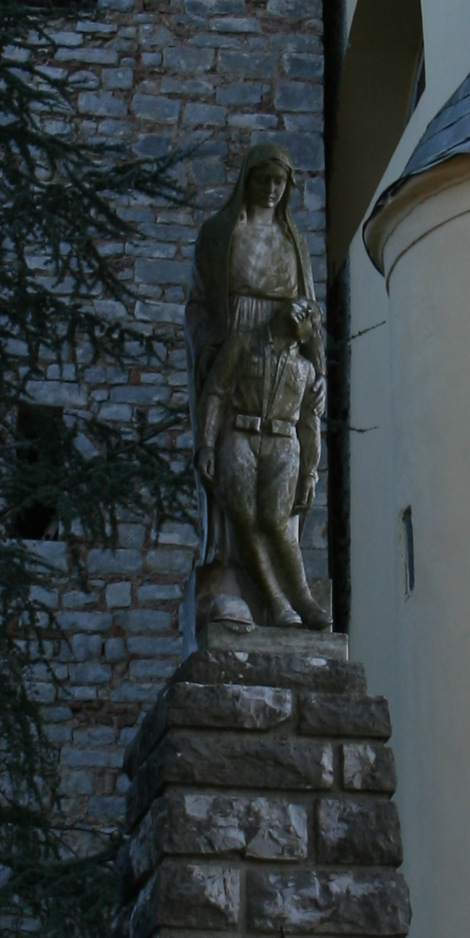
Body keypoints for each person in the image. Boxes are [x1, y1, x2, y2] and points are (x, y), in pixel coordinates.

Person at [185, 144, 325, 631]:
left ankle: (289, 596)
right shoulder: (220, 233)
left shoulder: (294, 241)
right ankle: (232, 586)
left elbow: (309, 310)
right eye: (263, 180)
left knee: (278, 498)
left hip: (286, 356)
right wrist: (211, 347)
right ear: (248, 179)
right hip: (236, 348)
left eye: (279, 183)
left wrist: (317, 370)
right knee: (234, 487)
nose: (270, 189)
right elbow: (199, 304)